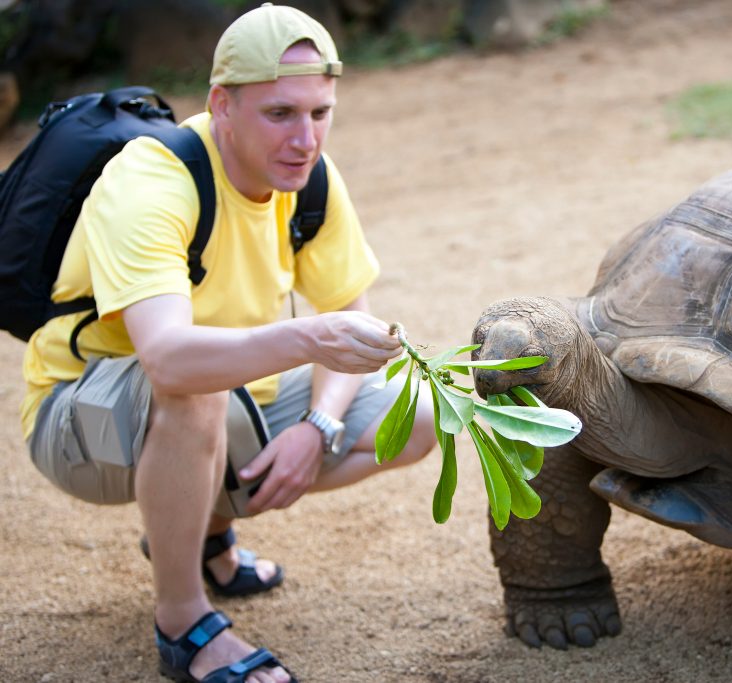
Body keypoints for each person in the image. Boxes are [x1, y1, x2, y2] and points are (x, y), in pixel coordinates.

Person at [19, 4, 435, 681]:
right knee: (195, 386)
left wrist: (319, 427)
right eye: (280, 114)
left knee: (415, 415)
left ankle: (199, 527)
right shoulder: (153, 179)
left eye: (320, 112)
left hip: (227, 404)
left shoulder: (312, 179)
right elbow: (168, 358)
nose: (306, 138)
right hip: (80, 418)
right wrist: (312, 336)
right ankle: (183, 621)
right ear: (223, 104)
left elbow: (350, 313)